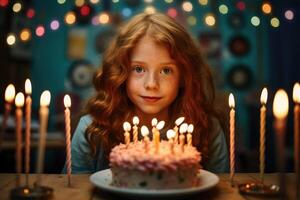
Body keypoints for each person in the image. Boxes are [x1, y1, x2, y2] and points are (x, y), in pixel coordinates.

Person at [63, 12, 229, 174]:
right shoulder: (92, 129)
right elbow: (75, 190)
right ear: (120, 73)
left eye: (166, 70)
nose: (151, 84)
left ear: (185, 76)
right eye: (138, 69)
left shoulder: (207, 128)